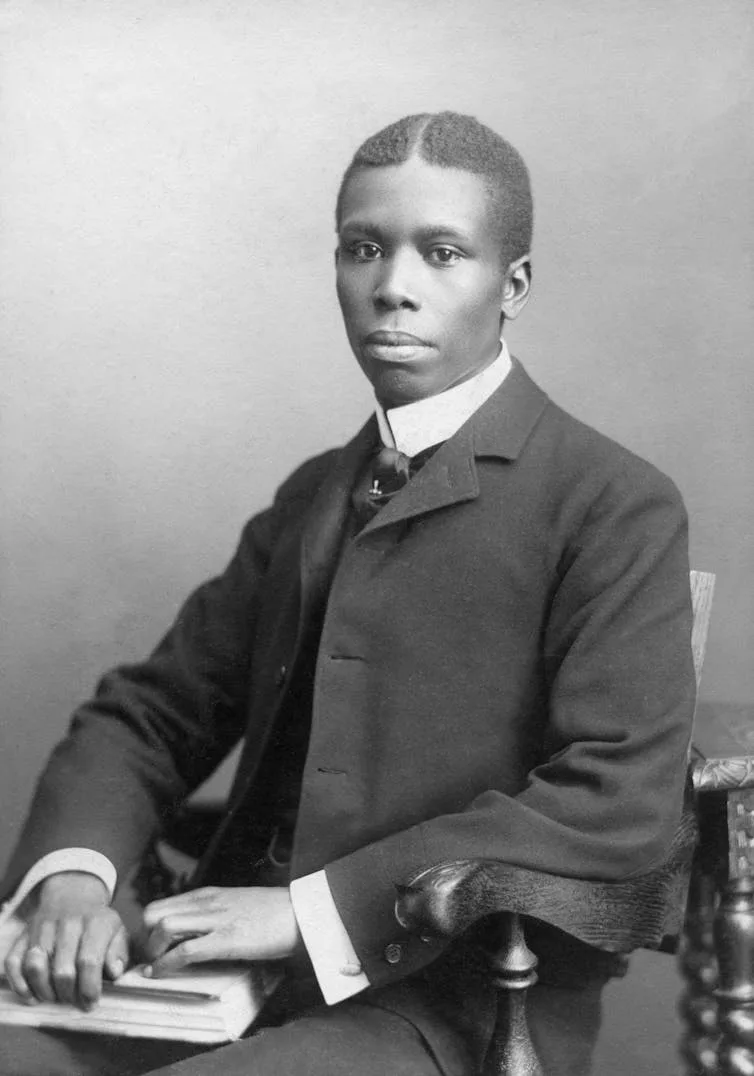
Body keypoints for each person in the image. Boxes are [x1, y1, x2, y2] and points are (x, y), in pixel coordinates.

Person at [0, 111, 696, 1076]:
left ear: (514, 285)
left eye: (442, 253)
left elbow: (613, 797)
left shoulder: (611, 504)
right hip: (225, 984)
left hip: (457, 1004)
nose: (393, 288)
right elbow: (150, 712)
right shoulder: (316, 493)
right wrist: (77, 876)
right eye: (363, 249)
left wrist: (306, 913)